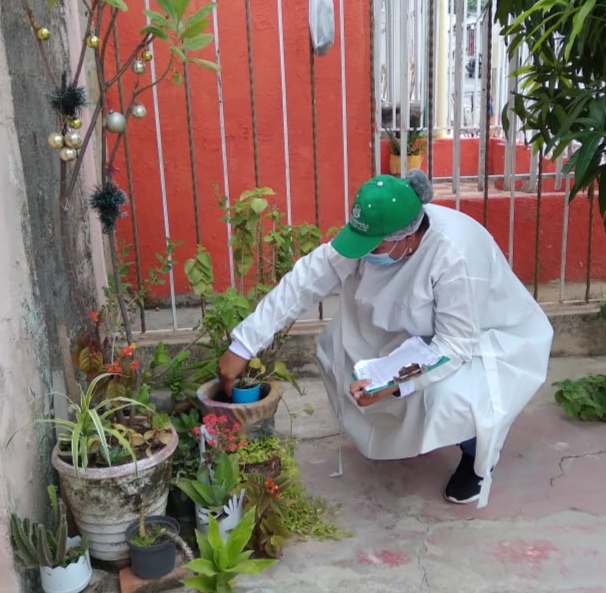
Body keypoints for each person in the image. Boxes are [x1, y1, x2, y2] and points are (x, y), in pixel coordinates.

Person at [218, 170, 553, 507]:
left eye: (373, 246)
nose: (364, 253)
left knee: (451, 399)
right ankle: (406, 435)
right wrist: (243, 345)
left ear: (407, 238)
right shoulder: (375, 237)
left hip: (482, 340)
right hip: (412, 332)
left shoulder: (454, 256)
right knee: (334, 348)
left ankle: (476, 452)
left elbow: (454, 345)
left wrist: (392, 382)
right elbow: (305, 280)